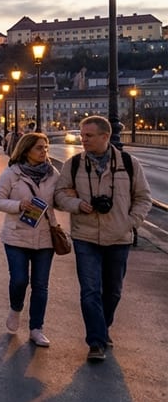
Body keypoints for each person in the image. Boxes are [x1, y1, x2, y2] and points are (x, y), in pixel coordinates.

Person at [54, 116, 152, 362]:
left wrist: (130, 223)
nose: (82, 140)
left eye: (88, 136)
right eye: (82, 136)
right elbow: (59, 194)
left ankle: (102, 326)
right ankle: (96, 341)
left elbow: (143, 198)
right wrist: (77, 205)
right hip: (85, 236)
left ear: (105, 136)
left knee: (114, 291)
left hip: (119, 237)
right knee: (89, 290)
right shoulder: (74, 164)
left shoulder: (129, 164)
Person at [0, 132, 60, 347]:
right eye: (39, 147)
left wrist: (72, 200)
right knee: (19, 279)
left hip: (45, 237)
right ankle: (16, 307)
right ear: (27, 149)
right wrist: (18, 205)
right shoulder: (12, 173)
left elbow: (60, 200)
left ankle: (36, 328)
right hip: (16, 235)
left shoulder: (53, 174)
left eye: (46, 147)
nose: (44, 152)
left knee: (41, 285)